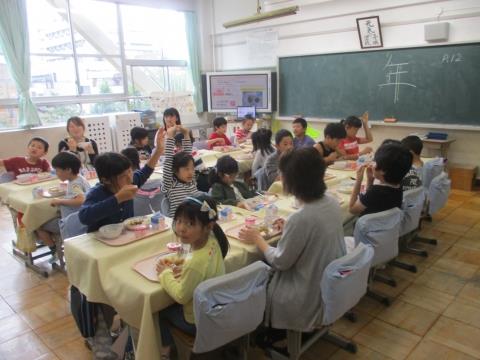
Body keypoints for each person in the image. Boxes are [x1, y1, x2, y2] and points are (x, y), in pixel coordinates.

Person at [239, 147, 345, 331]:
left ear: (293, 181)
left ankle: (266, 334)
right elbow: (313, 228)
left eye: (282, 173)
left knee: (251, 277)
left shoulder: (301, 218)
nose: (280, 176)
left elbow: (280, 262)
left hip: (305, 291)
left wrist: (258, 239)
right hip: (328, 283)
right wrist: (289, 226)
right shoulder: (331, 202)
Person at [157, 195, 228, 360]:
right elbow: (190, 253)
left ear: (207, 226)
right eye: (179, 221)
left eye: (190, 223)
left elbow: (181, 296)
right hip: (215, 308)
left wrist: (165, 273)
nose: (181, 228)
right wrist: (175, 259)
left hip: (196, 320)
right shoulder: (212, 239)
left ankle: (167, 351)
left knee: (159, 311)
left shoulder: (196, 263)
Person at [78, 129, 164, 232]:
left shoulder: (129, 182)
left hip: (125, 236)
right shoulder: (97, 193)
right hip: (102, 241)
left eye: (129, 171)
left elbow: (145, 171)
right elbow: (84, 217)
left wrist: (158, 150)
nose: (129, 177)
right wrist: (117, 198)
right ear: (106, 180)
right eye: (123, 176)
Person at [37, 152, 91, 262]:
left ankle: (55, 251)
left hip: (71, 223)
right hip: (82, 219)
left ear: (68, 170)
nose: (56, 173)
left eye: (57, 170)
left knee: (39, 225)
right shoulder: (80, 178)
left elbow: (81, 200)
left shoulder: (74, 184)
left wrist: (60, 201)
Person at [349, 143, 412, 216]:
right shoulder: (399, 186)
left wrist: (358, 181)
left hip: (370, 226)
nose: (372, 164)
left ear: (383, 170)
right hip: (388, 225)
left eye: (375, 161)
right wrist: (370, 180)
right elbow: (369, 199)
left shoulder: (375, 192)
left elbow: (352, 209)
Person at [162, 125, 203, 217]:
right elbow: (168, 160)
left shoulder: (191, 181)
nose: (191, 172)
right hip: (180, 223)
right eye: (186, 169)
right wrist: (170, 136)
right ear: (175, 171)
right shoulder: (170, 184)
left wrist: (186, 134)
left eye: (192, 169)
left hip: (194, 219)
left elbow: (188, 154)